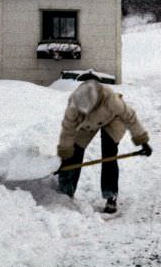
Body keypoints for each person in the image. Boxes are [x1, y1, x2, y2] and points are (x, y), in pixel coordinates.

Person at [56, 78, 152, 213]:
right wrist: (65, 154)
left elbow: (130, 117)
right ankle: (65, 192)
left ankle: (111, 195)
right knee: (74, 152)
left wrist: (143, 141)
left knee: (109, 153)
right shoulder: (74, 105)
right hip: (87, 124)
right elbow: (68, 129)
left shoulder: (111, 100)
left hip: (113, 120)